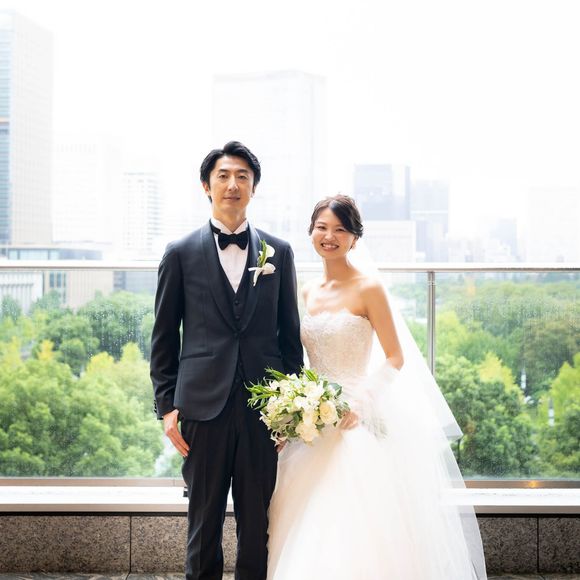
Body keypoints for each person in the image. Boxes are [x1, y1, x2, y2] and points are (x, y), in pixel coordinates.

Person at [267, 195, 487, 579]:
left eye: (340, 229)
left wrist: (361, 401)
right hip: (312, 420)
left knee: (355, 518)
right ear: (311, 232)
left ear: (355, 238)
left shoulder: (369, 288)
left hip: (355, 416)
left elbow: (395, 357)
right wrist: (292, 414)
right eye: (322, 228)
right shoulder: (307, 291)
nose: (329, 236)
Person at [150, 141, 303, 580]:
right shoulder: (179, 252)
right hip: (201, 408)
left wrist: (290, 412)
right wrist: (167, 407)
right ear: (207, 186)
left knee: (257, 526)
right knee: (203, 525)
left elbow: (289, 337)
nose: (233, 184)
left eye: (242, 176)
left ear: (254, 187)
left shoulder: (279, 252)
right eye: (223, 176)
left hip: (263, 410)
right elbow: (164, 337)